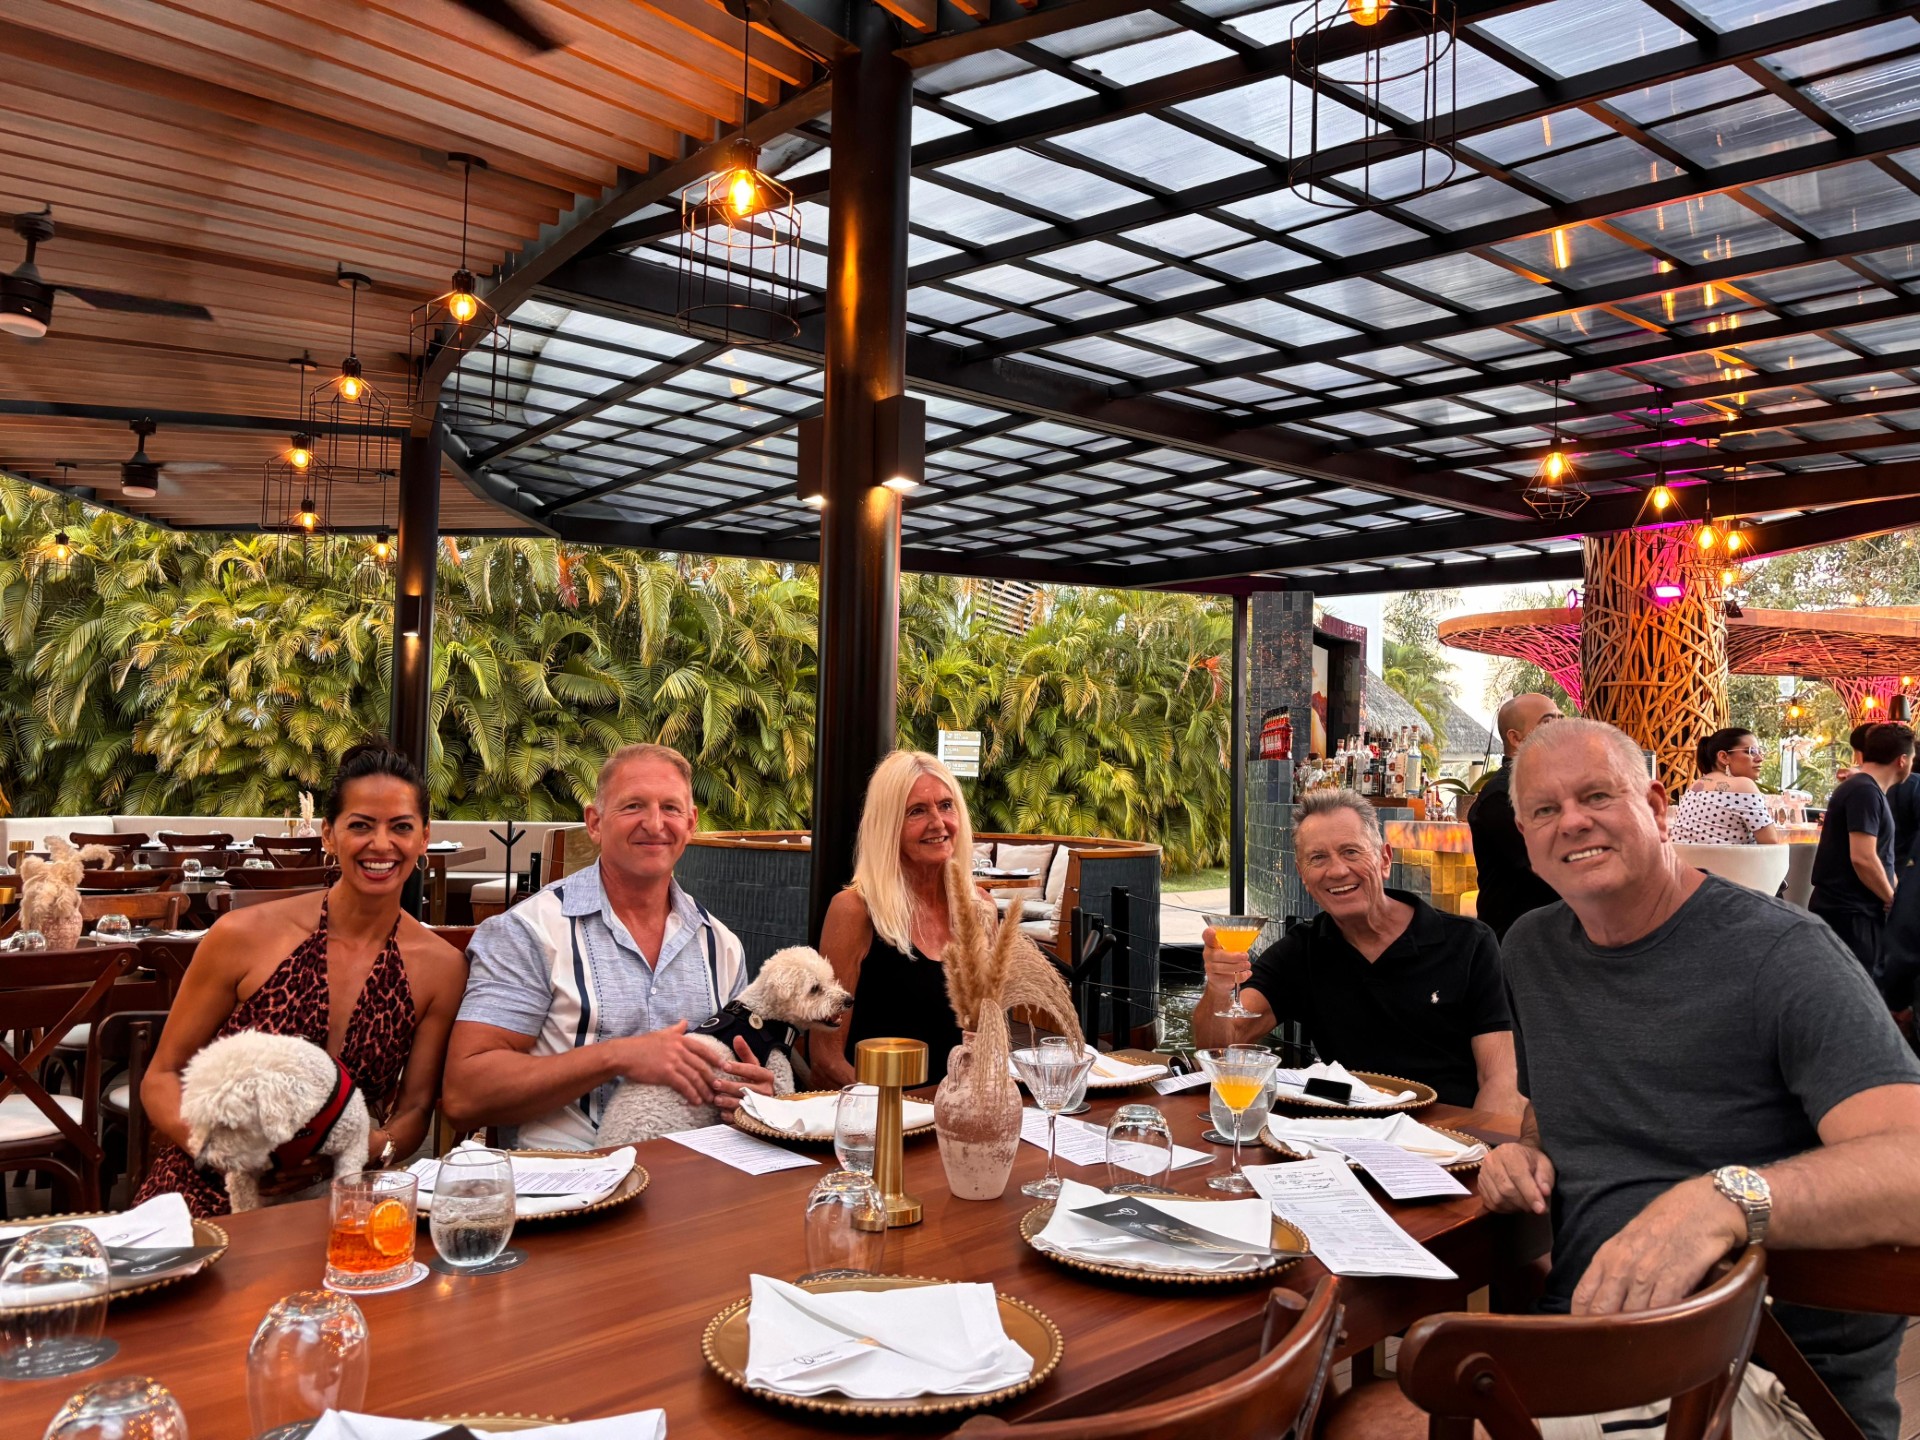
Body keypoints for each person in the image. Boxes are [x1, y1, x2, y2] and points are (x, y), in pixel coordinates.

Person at [1464, 718, 1920, 1440]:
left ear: (1656, 805)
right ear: (1524, 837)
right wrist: (1526, 1152)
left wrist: (1723, 1200)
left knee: (1380, 1422)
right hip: (1587, 1342)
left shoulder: (1782, 954)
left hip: (1766, 1380)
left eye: (1597, 796)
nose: (1573, 821)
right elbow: (1561, 1103)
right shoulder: (1531, 948)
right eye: (1545, 810)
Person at [137, 743, 469, 1217]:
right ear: (328, 835)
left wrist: (358, 1148)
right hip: (205, 1191)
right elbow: (162, 1076)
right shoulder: (243, 935)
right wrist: (230, 1155)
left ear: (424, 838)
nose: (381, 844)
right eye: (360, 825)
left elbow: (415, 1111)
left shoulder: (441, 967)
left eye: (400, 827)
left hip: (334, 1204)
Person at [441, 743, 774, 1148]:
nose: (655, 824)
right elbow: (465, 1096)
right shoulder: (529, 931)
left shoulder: (722, 946)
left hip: (699, 1175)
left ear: (690, 824)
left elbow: (742, 1072)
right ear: (595, 823)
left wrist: (753, 1098)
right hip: (571, 1176)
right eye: (633, 806)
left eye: (670, 808)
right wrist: (617, 1056)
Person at [1192, 788, 1522, 1114]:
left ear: (1384, 859)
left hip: (1444, 1134)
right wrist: (1219, 988)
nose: (1337, 871)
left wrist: (1472, 1143)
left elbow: (1502, 1081)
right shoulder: (1303, 950)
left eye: (1351, 852)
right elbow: (1221, 1050)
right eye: (1318, 858)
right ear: (1303, 875)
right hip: (1344, 1131)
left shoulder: (1470, 944)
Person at [813, 750, 978, 1090]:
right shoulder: (854, 910)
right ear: (887, 826)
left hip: (961, 1112)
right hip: (881, 1112)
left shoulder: (979, 910)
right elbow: (826, 1060)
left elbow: (990, 1040)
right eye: (917, 811)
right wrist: (892, 1110)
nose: (938, 822)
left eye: (946, 805)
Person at [1810, 721, 1913, 982]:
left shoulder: (1864, 788)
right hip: (1850, 914)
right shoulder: (1864, 791)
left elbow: (1881, 855)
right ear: (1902, 760)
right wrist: (1892, 899)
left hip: (1855, 912)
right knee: (1854, 987)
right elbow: (1863, 857)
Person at [1467, 692, 1562, 939]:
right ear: (1516, 738)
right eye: (1548, 722)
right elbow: (1547, 865)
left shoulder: (1556, 786)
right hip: (1518, 940)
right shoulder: (1502, 796)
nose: (1561, 729)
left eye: (1561, 719)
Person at [1669, 727, 1783, 845]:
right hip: (1730, 858)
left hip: (1684, 857)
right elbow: (1770, 841)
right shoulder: (1744, 786)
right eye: (1751, 751)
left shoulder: (1695, 786)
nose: (1760, 758)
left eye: (1760, 751)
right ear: (1723, 757)